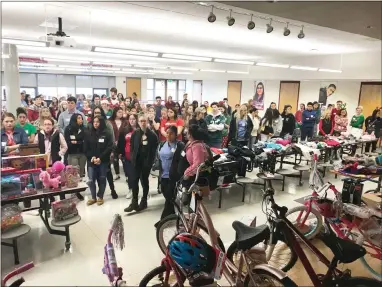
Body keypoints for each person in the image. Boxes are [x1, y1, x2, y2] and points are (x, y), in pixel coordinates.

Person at [124, 114, 158, 213]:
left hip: (146, 163)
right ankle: (134, 202)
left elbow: (154, 151)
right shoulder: (135, 133)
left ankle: (144, 201)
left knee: (144, 181)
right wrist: (132, 157)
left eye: (144, 121)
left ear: (147, 122)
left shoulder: (152, 135)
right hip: (136, 161)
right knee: (134, 181)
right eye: (141, 121)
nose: (143, 123)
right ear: (138, 122)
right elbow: (132, 148)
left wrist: (150, 162)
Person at [84, 115, 113, 206]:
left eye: (98, 122)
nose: (96, 124)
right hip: (91, 161)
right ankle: (93, 197)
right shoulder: (88, 133)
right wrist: (91, 157)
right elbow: (85, 148)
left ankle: (100, 196)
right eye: (94, 122)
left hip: (103, 161)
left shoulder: (107, 133)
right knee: (91, 179)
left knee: (102, 178)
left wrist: (100, 158)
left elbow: (109, 147)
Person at [90, 107, 119, 199]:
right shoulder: (91, 124)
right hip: (94, 154)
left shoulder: (107, 124)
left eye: (99, 112)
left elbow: (112, 139)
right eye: (95, 112)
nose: (97, 114)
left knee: (107, 172)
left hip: (106, 153)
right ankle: (100, 193)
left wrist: (112, 151)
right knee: (97, 174)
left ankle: (112, 189)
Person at [157, 125, 185, 219]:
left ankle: (163, 220)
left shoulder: (180, 145)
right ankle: (172, 215)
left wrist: (180, 173)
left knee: (170, 197)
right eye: (167, 133)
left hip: (173, 176)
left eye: (171, 133)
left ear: (176, 134)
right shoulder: (162, 144)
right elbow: (158, 158)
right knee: (167, 196)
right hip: (163, 175)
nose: (168, 135)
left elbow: (183, 160)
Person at [117, 114, 138, 199]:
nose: (132, 120)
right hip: (127, 156)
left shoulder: (140, 130)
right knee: (129, 174)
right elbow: (121, 143)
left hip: (138, 156)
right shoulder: (124, 130)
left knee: (137, 175)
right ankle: (131, 189)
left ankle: (140, 190)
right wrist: (120, 153)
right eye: (130, 119)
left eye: (133, 119)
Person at [64, 113, 87, 185]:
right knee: (74, 172)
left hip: (82, 153)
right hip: (72, 153)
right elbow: (68, 142)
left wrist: (76, 142)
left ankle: (79, 189)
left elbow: (85, 141)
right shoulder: (68, 128)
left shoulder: (84, 129)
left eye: (81, 118)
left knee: (80, 173)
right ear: (74, 119)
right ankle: (74, 190)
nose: (81, 120)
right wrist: (80, 142)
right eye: (79, 118)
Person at [109, 107, 128, 181]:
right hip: (113, 143)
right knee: (115, 159)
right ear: (115, 112)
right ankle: (117, 174)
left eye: (121, 112)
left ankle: (127, 175)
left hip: (123, 143)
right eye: (119, 112)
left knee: (124, 159)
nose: (121, 113)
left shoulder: (125, 121)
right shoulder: (110, 121)